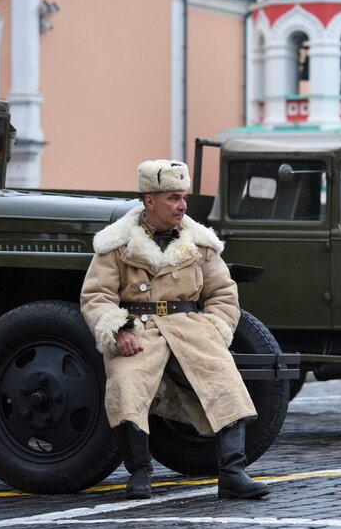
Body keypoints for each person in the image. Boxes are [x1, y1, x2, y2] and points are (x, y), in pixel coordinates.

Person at [80, 159, 268, 501]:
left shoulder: (200, 243)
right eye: (173, 198)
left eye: (183, 197)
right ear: (149, 200)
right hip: (138, 330)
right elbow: (96, 296)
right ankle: (139, 473)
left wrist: (216, 329)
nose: (182, 205)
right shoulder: (116, 245)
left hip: (191, 329)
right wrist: (118, 330)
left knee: (226, 381)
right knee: (126, 385)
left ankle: (233, 473)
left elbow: (224, 293)